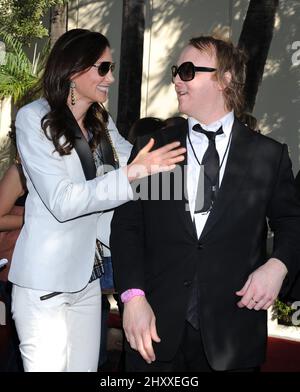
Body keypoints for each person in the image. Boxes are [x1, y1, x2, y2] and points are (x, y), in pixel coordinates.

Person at [111, 35, 300, 372]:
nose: (175, 80)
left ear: (224, 78)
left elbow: (292, 222)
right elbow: (129, 228)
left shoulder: (268, 155)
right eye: (175, 71)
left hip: (232, 336)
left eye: (187, 71)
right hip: (153, 331)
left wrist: (278, 266)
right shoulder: (155, 147)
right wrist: (132, 297)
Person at [8, 28, 185, 372]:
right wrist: (133, 172)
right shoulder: (33, 118)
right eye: (103, 68)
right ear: (74, 70)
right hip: (44, 286)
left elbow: (138, 169)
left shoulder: (100, 121)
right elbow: (63, 201)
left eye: (112, 68)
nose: (112, 78)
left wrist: (190, 182)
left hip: (89, 283)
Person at [0, 158, 26, 372]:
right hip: (13, 272)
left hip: (40, 273)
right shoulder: (19, 172)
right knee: (19, 344)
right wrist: (34, 217)